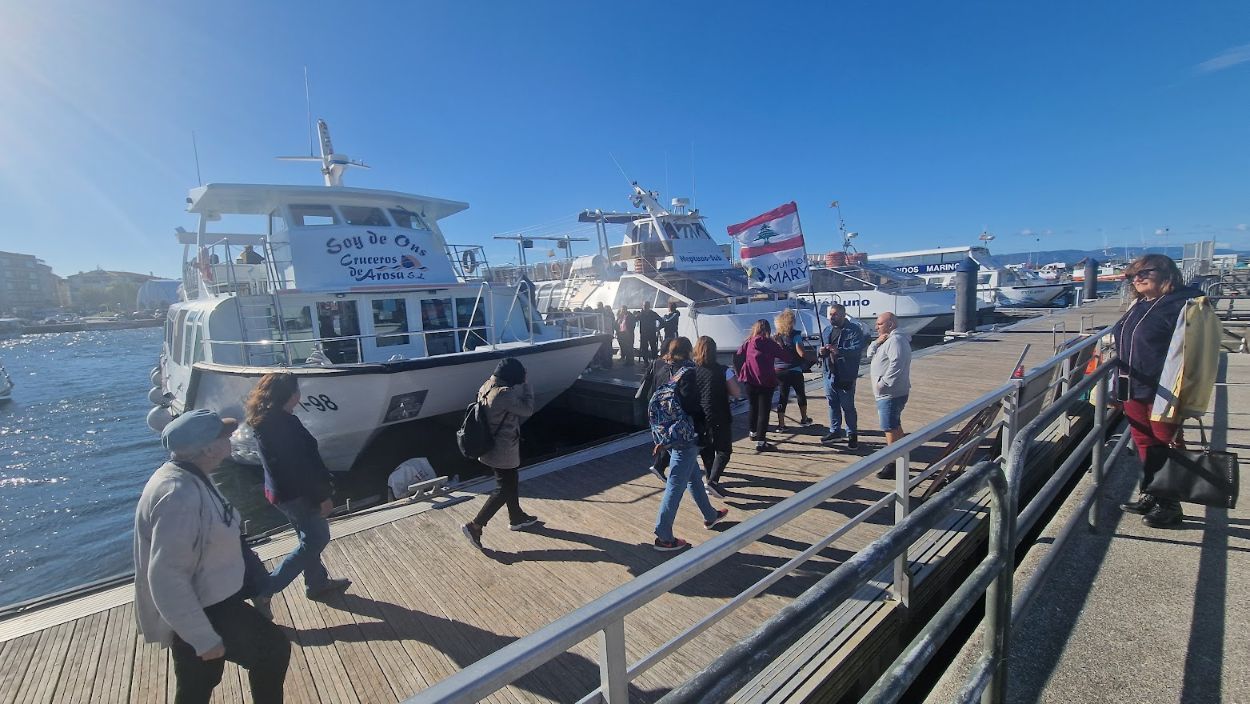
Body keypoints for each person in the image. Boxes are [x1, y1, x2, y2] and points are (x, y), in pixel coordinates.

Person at [135, 409, 290, 703]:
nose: (229, 438)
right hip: (208, 609)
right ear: (207, 448)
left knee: (197, 684)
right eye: (223, 435)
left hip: (211, 602)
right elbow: (166, 577)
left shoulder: (188, 477)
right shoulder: (177, 496)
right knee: (272, 649)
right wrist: (201, 636)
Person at [1114, 254, 1214, 528]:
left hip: (1164, 390)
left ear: (1167, 273)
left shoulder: (1183, 304)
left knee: (1166, 443)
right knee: (1145, 442)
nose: (1138, 278)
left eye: (1146, 271)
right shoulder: (1140, 304)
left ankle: (1170, 505)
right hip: (1132, 387)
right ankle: (1153, 492)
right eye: (1133, 274)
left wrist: (1190, 393)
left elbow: (1198, 351)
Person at [246, 373, 352, 601]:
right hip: (297, 496)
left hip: (281, 494)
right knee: (316, 539)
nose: (299, 394)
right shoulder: (282, 424)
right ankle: (267, 588)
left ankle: (317, 583)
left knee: (307, 538)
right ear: (290, 395)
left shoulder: (268, 420)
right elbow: (299, 468)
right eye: (296, 390)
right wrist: (322, 496)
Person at [652, 336, 728, 550]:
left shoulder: (661, 370)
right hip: (687, 435)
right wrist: (705, 428)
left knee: (693, 476)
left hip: (669, 433)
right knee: (675, 484)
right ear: (688, 353)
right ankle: (663, 535)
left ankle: (710, 515)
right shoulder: (688, 372)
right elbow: (693, 406)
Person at [462, 358, 539, 549]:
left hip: (490, 446)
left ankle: (516, 517)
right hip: (503, 448)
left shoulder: (486, 386)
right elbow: (527, 410)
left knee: (509, 481)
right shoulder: (504, 395)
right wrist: (527, 385)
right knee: (504, 488)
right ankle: (476, 525)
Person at [694, 336, 740, 499]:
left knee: (707, 450)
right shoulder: (723, 371)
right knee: (724, 450)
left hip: (700, 416)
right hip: (719, 414)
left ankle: (709, 478)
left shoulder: (692, 371)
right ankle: (713, 481)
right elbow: (737, 392)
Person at [868, 312, 912, 476]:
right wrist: (877, 342)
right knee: (895, 425)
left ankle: (892, 464)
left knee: (889, 427)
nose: (876, 327)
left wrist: (883, 384)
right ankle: (901, 455)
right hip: (888, 393)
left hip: (890, 393)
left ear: (891, 324)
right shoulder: (888, 340)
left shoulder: (896, 340)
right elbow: (869, 354)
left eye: (879, 324)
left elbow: (897, 363)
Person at [820, 304, 868, 449]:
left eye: (835, 315)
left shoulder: (853, 330)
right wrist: (821, 351)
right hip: (829, 373)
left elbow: (857, 349)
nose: (832, 317)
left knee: (847, 406)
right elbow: (820, 347)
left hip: (846, 374)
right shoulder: (827, 330)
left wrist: (838, 350)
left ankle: (852, 433)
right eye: (831, 315)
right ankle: (835, 431)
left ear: (843, 315)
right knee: (832, 404)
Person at [736, 319, 788, 452]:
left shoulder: (749, 342)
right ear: (768, 330)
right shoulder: (770, 344)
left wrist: (740, 371)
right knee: (764, 411)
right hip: (766, 381)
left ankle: (753, 433)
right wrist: (780, 343)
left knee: (753, 407)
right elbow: (786, 357)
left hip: (750, 379)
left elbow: (737, 356)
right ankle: (761, 441)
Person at [639, 338, 682, 480]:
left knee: (663, 435)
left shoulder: (655, 362)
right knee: (670, 437)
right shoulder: (673, 365)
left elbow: (644, 380)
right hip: (668, 405)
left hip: (655, 403)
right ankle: (660, 465)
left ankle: (660, 464)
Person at [772, 309, 812, 430]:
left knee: (783, 396)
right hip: (794, 369)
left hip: (779, 370)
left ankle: (781, 424)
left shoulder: (776, 336)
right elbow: (801, 352)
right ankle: (804, 419)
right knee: (800, 394)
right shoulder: (796, 335)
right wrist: (811, 358)